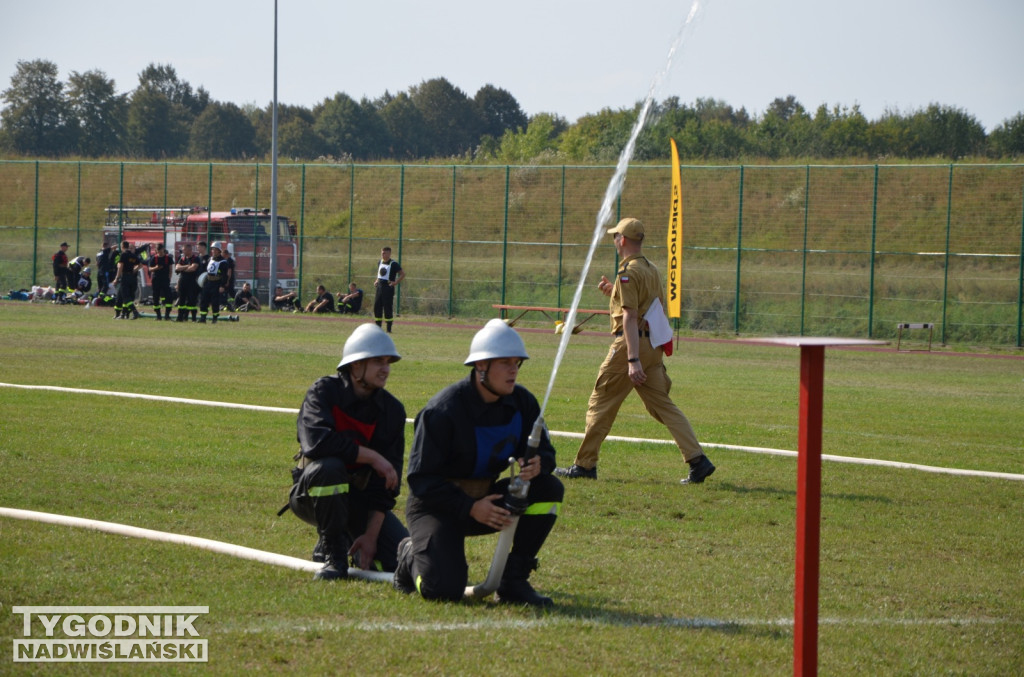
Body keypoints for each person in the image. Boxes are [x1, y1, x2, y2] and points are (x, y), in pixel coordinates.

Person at [394, 319, 564, 607]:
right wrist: (470, 507)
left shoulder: (523, 403)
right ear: (481, 367)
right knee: (443, 589)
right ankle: (409, 555)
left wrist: (538, 464)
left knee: (548, 488)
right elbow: (421, 480)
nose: (514, 370)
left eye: (517, 363)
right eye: (506, 363)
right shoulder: (442, 411)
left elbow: (546, 453)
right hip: (436, 507)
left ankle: (514, 580)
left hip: (487, 499)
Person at [555, 218, 715, 485]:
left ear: (624, 240)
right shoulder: (650, 269)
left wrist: (632, 360)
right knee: (664, 407)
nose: (614, 240)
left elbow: (629, 317)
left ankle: (584, 466)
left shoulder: (627, 272)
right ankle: (698, 461)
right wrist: (614, 293)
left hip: (631, 347)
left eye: (616, 236)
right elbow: (643, 307)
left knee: (600, 403)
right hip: (652, 346)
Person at [286, 323, 409, 580]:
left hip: (359, 503)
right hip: (311, 495)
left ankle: (347, 535)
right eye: (378, 361)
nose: (386, 368)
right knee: (329, 468)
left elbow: (387, 484)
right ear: (355, 365)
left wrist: (371, 537)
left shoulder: (392, 411)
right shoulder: (323, 393)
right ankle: (334, 553)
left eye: (388, 362)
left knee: (406, 560)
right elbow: (317, 443)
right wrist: (373, 457)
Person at [373, 246, 404, 333]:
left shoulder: (393, 264)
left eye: (384, 253)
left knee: (387, 307)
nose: (382, 254)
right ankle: (378, 328)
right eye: (382, 253)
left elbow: (402, 274)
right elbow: (379, 274)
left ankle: (388, 329)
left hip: (388, 288)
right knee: (377, 306)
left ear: (389, 253)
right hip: (379, 287)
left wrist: (395, 282)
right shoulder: (380, 262)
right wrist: (376, 281)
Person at [198, 241, 229, 323]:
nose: (213, 251)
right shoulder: (210, 259)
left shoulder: (223, 262)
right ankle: (203, 318)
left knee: (215, 302)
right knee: (204, 300)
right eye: (212, 250)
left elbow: (225, 275)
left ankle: (214, 318)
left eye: (215, 250)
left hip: (216, 283)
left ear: (219, 250)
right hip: (208, 283)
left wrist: (222, 286)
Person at [112, 240, 141, 320]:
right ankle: (121, 314)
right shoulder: (133, 255)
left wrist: (116, 278)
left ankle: (135, 312)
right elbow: (140, 264)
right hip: (132, 277)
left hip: (125, 277)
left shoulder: (123, 255)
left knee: (125, 297)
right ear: (128, 247)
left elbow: (120, 267)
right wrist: (134, 270)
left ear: (122, 247)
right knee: (120, 296)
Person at [174, 243, 202, 322]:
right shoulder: (182, 258)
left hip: (192, 282)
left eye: (184, 249)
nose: (183, 251)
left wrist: (182, 269)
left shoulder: (195, 258)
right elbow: (177, 267)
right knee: (181, 299)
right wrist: (186, 266)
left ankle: (193, 318)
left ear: (190, 250)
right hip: (183, 281)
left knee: (192, 300)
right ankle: (180, 317)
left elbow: (193, 268)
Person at [149, 243, 174, 320]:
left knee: (168, 297)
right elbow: (150, 269)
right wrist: (156, 268)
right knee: (156, 297)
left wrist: (169, 278)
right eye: (158, 251)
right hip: (156, 280)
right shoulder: (154, 258)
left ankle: (167, 315)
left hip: (165, 280)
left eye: (161, 250)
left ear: (163, 249)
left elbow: (170, 270)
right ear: (156, 250)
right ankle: (158, 315)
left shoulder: (168, 258)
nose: (159, 252)